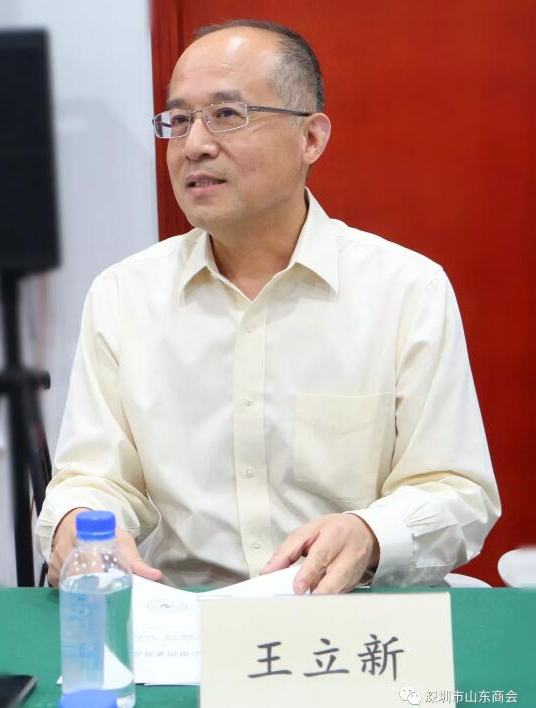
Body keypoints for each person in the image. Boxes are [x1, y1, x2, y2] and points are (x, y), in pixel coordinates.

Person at [36, 19, 500, 593]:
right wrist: (77, 520)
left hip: (350, 611)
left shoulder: (405, 289)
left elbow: (458, 491)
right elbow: (95, 477)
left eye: (227, 114)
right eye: (179, 121)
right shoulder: (123, 295)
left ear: (311, 138)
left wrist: (371, 532)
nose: (195, 145)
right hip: (186, 614)